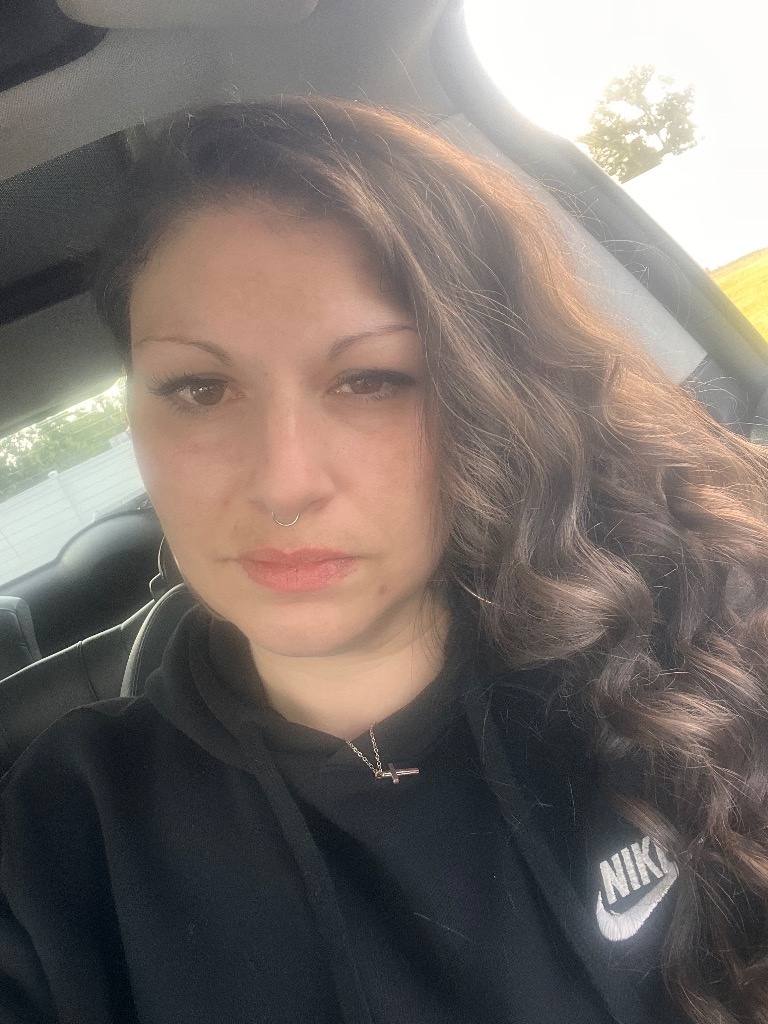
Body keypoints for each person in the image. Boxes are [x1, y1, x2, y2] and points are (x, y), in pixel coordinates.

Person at [1, 96, 767, 1024]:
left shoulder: (703, 643)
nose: (284, 483)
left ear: (490, 393)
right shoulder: (59, 842)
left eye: (371, 380)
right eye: (200, 389)